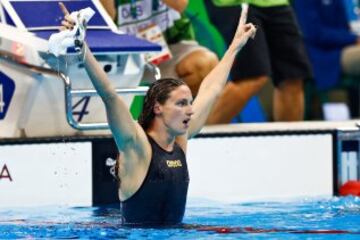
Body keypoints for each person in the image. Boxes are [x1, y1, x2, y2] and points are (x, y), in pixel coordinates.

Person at [59, 2, 256, 226]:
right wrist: (81, 47)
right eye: (181, 103)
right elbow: (110, 96)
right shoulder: (136, 145)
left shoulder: (180, 140)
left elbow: (211, 89)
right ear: (158, 108)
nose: (190, 110)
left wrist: (235, 47)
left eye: (189, 102)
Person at [204, 0, 312, 124]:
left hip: (277, 3)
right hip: (232, 3)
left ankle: (288, 141)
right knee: (251, 76)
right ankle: (196, 137)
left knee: (292, 77)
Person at [100, 0, 219, 96]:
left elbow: (180, 3)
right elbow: (104, 19)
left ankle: (174, 121)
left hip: (168, 47)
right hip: (116, 54)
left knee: (204, 66)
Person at [293, 0, 360, 91]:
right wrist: (353, 39)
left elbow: (344, 27)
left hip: (345, 47)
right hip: (323, 55)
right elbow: (315, 34)